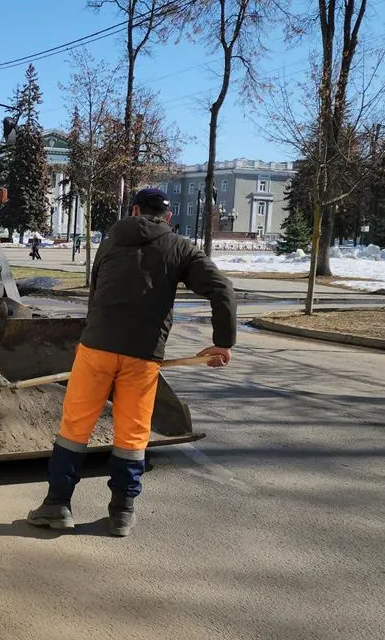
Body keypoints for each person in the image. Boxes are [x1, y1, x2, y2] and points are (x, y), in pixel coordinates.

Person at [26, 187, 237, 538]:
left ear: (135, 210)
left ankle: (56, 505)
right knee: (132, 434)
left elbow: (96, 293)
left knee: (75, 427)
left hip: (96, 347)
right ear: (167, 216)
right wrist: (222, 343)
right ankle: (121, 512)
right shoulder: (180, 248)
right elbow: (222, 289)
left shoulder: (110, 242)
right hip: (143, 356)